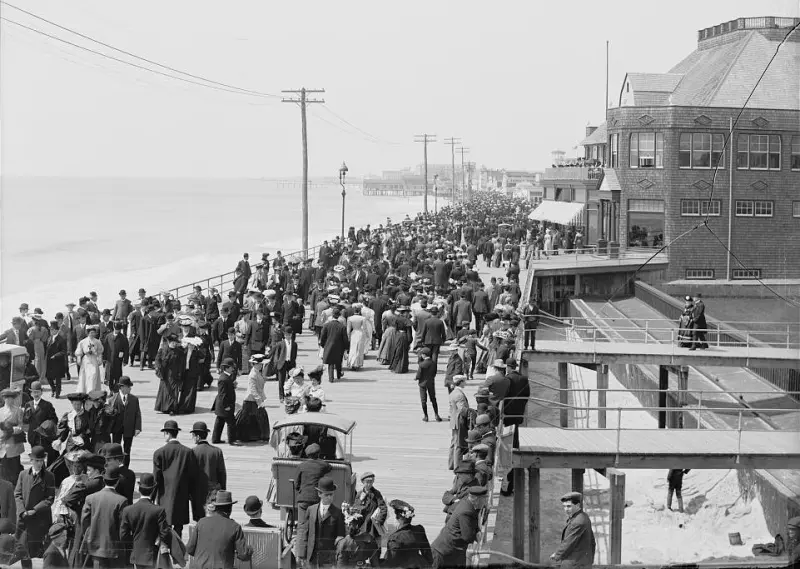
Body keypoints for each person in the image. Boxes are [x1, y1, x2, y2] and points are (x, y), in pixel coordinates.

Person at [152, 420, 203, 537]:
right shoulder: (188, 452)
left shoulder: (159, 453)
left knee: (164, 527)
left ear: (168, 434)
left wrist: (151, 497)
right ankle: (178, 550)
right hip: (182, 494)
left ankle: (165, 549)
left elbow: (156, 477)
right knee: (178, 527)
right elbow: (193, 476)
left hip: (164, 495)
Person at [186, 490, 252, 569]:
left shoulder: (201, 522)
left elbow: (190, 549)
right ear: (230, 509)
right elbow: (243, 555)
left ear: (216, 507)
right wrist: (249, 550)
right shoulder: (235, 527)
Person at [15, 446, 56, 569]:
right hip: (24, 520)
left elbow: (50, 498)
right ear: (31, 460)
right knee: (23, 551)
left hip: (40, 520)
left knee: (41, 551)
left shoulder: (49, 476)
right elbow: (17, 494)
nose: (39, 463)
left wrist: (35, 510)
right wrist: (22, 511)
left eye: (41, 460)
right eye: (36, 460)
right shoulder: (23, 474)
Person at [81, 464, 128, 569]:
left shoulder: (90, 498)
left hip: (95, 547)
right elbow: (123, 527)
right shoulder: (122, 501)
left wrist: (91, 536)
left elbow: (85, 521)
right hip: (115, 549)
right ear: (117, 482)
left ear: (103, 480)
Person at [120, 472, 171, 569]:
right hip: (152, 553)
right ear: (153, 490)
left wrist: (134, 541)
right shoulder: (159, 510)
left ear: (139, 489)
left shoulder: (128, 510)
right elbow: (164, 533)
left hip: (135, 552)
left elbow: (123, 535)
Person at [431, 485, 487, 569]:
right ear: (476, 499)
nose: (485, 501)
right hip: (442, 553)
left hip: (452, 552)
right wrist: (477, 534)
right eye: (484, 499)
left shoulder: (467, 502)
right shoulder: (466, 512)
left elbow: (474, 519)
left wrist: (477, 530)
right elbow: (467, 537)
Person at [295, 477, 346, 568]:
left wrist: (338, 558)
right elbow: (304, 532)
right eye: (327, 495)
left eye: (331, 494)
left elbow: (341, 537)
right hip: (311, 556)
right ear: (319, 494)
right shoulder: (311, 510)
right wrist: (302, 553)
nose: (330, 497)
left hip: (328, 559)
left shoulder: (338, 513)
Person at [550, 492, 596, 569]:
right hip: (583, 562)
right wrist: (590, 560)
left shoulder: (578, 521)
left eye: (569, 506)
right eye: (564, 506)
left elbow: (568, 542)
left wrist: (557, 555)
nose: (566, 509)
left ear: (577, 505)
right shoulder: (584, 516)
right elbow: (592, 541)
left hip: (574, 564)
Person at [384, 499, 433, 569]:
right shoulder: (419, 530)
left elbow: (391, 563)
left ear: (397, 518)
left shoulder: (395, 538)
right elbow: (428, 556)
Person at [236, 354, 270, 442]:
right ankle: (248, 437)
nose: (261, 365)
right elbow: (253, 390)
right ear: (254, 364)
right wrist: (259, 401)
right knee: (251, 419)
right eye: (259, 364)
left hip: (256, 398)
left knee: (257, 418)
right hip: (251, 400)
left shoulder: (257, 372)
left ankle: (256, 436)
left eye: (261, 364)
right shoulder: (252, 375)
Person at [294, 443, 332, 521]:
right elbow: (329, 467)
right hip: (316, 498)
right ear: (318, 454)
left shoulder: (301, 465)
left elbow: (296, 484)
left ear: (307, 455)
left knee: (302, 524)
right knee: (315, 522)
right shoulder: (322, 465)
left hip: (303, 498)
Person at [110, 376, 141, 469]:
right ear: (122, 387)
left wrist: (138, 428)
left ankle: (125, 467)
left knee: (127, 448)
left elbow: (137, 414)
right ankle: (114, 466)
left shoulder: (134, 399)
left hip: (129, 427)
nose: (130, 388)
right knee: (115, 448)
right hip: (116, 428)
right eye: (128, 387)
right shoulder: (113, 398)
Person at [191, 421, 227, 495]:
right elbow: (222, 473)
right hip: (214, 491)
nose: (192, 438)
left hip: (197, 490)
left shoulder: (192, 452)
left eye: (193, 435)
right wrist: (223, 490)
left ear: (197, 437)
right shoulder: (217, 451)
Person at [0, 388, 26, 486]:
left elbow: (20, 426)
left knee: (15, 466)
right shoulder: (0, 411)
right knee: (3, 467)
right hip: (2, 443)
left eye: (11, 398)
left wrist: (11, 429)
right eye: (7, 398)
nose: (9, 400)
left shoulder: (18, 411)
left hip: (13, 443)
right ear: (3, 398)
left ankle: (16, 486)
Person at [212, 358, 240, 446]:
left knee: (219, 422)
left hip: (221, 406)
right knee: (231, 423)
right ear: (227, 368)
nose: (233, 369)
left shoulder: (226, 377)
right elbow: (222, 394)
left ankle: (215, 439)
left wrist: (232, 386)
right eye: (232, 367)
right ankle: (232, 440)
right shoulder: (223, 379)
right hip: (225, 405)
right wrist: (226, 406)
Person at [22, 381, 58, 449]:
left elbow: (54, 419)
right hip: (32, 436)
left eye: (38, 392)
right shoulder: (28, 404)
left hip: (43, 436)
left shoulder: (47, 405)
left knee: (42, 455)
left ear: (41, 392)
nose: (36, 394)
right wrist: (27, 416)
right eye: (34, 392)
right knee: (35, 455)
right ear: (31, 393)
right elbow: (25, 421)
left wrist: (46, 426)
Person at [353, 472, 387, 540]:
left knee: (374, 546)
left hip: (373, 526)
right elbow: (355, 508)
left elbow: (383, 507)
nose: (369, 484)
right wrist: (360, 501)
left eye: (371, 482)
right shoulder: (359, 494)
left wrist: (380, 520)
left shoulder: (376, 493)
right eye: (367, 482)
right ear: (363, 482)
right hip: (361, 525)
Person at [320, 308, 348, 383]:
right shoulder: (342, 327)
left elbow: (323, 336)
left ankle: (331, 378)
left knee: (330, 362)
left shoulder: (326, 325)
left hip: (329, 345)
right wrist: (346, 347)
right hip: (339, 346)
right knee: (338, 361)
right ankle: (339, 374)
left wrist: (322, 344)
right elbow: (345, 338)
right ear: (339, 316)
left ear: (332, 315)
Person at [448, 375, 469, 470]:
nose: (465, 383)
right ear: (460, 382)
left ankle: (451, 463)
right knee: (458, 444)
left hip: (453, 419)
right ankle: (457, 465)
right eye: (464, 381)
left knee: (453, 443)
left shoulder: (453, 392)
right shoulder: (459, 394)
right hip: (458, 420)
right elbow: (462, 410)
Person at [75, 325, 104, 394]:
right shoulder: (83, 341)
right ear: (88, 333)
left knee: (93, 375)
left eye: (94, 332)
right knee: (85, 375)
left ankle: (91, 390)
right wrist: (78, 358)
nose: (92, 334)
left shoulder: (97, 341)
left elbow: (100, 350)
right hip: (86, 360)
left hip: (94, 360)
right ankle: (84, 390)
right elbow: (79, 351)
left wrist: (99, 358)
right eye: (91, 332)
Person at [416, 348, 442, 422]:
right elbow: (434, 372)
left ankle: (426, 416)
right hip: (431, 382)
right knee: (433, 399)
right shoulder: (433, 363)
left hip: (422, 383)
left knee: (423, 400)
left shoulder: (422, 364)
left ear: (424, 355)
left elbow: (419, 375)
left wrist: (416, 378)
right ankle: (436, 415)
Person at [102, 322, 129, 393]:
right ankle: (111, 389)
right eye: (116, 329)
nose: (117, 330)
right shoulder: (108, 336)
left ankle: (116, 390)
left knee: (118, 375)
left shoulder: (123, 338)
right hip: (109, 359)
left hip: (118, 360)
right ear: (114, 327)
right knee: (110, 375)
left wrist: (125, 360)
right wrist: (104, 358)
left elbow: (126, 350)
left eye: (119, 329)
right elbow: (105, 347)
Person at [45, 323, 68, 399]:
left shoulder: (61, 339)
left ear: (57, 330)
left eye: (52, 329)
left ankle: (57, 393)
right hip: (49, 362)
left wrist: (55, 355)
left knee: (58, 378)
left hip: (58, 362)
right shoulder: (49, 338)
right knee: (49, 377)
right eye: (50, 329)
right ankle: (53, 389)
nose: (51, 331)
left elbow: (64, 351)